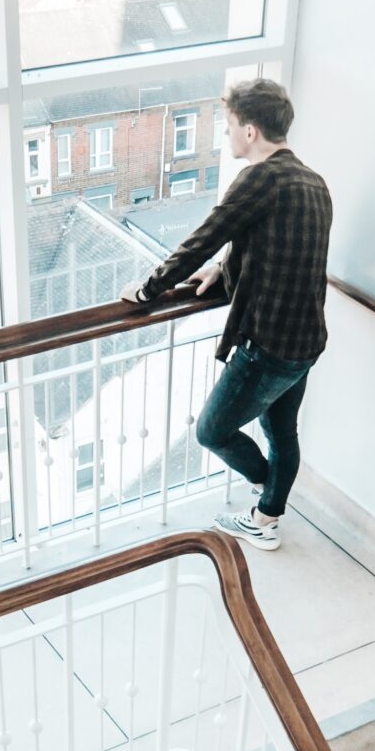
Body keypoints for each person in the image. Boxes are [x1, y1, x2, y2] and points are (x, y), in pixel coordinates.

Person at [124, 78, 332, 553]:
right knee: (283, 432)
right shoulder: (312, 183)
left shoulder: (260, 178)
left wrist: (147, 289)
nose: (228, 136)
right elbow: (277, 246)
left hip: (269, 344)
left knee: (211, 430)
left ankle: (266, 498)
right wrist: (224, 269)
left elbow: (206, 235)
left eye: (231, 127)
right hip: (306, 341)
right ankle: (269, 511)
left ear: (252, 131)